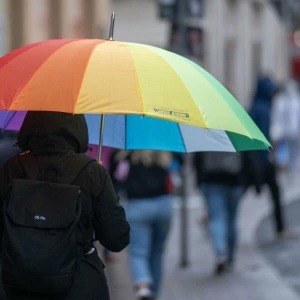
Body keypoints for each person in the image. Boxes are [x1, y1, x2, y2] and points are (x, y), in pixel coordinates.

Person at [0, 112, 130, 300]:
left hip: (20, 284)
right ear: (78, 129)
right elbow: (117, 239)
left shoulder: (12, 168)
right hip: (81, 286)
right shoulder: (93, 172)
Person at [112, 151, 174, 300]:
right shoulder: (164, 155)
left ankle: (143, 286)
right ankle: (155, 292)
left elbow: (116, 181)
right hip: (163, 206)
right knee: (157, 252)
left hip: (137, 207)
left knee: (138, 252)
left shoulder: (124, 157)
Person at [194, 151, 259, 275]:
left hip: (211, 180)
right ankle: (230, 257)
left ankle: (220, 253)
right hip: (234, 181)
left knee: (216, 218)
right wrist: (254, 181)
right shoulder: (237, 132)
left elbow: (198, 158)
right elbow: (248, 157)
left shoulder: (206, 133)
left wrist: (199, 180)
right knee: (231, 220)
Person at [249, 75, 287, 238]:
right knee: (276, 192)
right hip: (260, 161)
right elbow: (263, 137)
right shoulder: (263, 110)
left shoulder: (254, 107)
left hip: (252, 159)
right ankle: (280, 228)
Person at [271, 79, 300, 174]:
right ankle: (284, 166)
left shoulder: (296, 101)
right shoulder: (280, 100)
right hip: (284, 131)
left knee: (293, 151)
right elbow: (276, 116)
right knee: (283, 149)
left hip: (294, 131)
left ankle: (291, 168)